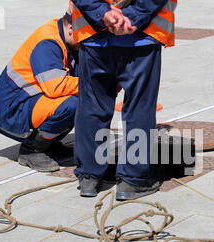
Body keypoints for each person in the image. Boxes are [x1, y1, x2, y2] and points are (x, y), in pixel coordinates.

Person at [70, 0, 177, 200]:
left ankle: (89, 177)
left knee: (92, 106)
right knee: (139, 107)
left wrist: (103, 13)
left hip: (94, 35)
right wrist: (134, 16)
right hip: (142, 36)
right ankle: (131, 180)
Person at [0, 12, 80, 172]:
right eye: (87, 35)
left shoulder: (68, 40)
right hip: (13, 110)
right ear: (71, 28)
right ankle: (32, 149)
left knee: (81, 97)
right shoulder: (47, 42)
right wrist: (95, 85)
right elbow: (56, 87)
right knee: (72, 105)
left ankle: (50, 144)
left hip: (29, 101)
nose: (90, 41)